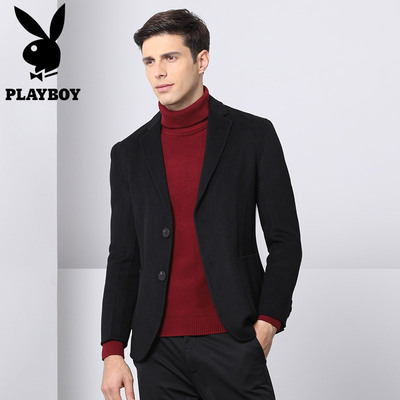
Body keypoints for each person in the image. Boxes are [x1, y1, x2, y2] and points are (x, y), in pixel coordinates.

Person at [101, 9, 301, 400]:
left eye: (170, 57)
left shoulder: (253, 136)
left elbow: (285, 240)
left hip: (233, 338)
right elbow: (124, 257)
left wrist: (268, 321)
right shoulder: (128, 154)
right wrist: (112, 350)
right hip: (156, 350)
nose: (158, 71)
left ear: (202, 60)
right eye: (149, 61)